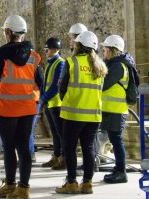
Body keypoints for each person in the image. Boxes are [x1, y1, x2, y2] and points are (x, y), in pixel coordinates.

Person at [0, 15, 44, 199]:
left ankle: (10, 185)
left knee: (8, 147)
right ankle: (23, 189)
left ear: (8, 32)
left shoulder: (1, 57)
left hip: (6, 108)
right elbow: (40, 83)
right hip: (28, 109)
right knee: (24, 147)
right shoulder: (34, 58)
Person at [55, 31, 107, 195]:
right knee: (88, 148)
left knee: (69, 149)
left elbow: (62, 86)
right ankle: (87, 184)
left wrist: (66, 99)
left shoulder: (72, 62)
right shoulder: (100, 65)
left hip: (73, 114)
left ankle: (71, 183)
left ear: (78, 46)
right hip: (93, 115)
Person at [99, 35, 133, 184]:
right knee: (114, 139)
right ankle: (118, 169)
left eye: (105, 50)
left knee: (116, 140)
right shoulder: (114, 64)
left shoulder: (118, 66)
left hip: (116, 110)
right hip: (111, 109)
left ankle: (121, 172)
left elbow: (104, 84)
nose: (103, 53)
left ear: (113, 50)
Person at [40, 37, 66, 170]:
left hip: (56, 103)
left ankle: (63, 158)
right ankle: (56, 156)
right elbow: (45, 84)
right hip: (50, 103)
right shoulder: (51, 63)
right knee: (55, 133)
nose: (45, 52)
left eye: (47, 49)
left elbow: (56, 86)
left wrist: (43, 98)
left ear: (56, 49)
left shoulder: (60, 63)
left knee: (60, 133)